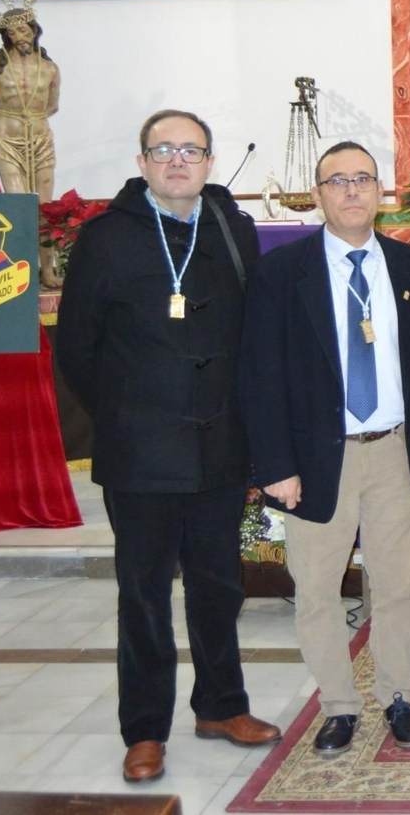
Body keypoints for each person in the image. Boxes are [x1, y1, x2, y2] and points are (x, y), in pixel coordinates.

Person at [57, 109, 280, 784]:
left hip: (218, 445)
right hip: (140, 450)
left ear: (210, 161)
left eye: (191, 149)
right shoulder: (104, 238)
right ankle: (145, 728)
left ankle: (221, 704)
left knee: (218, 587)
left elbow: (254, 337)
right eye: (164, 149)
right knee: (144, 595)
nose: (177, 160)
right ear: (143, 160)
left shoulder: (233, 230)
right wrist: (128, 411)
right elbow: (76, 348)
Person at [239, 142, 410, 755]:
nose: (351, 191)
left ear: (381, 191)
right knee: (319, 588)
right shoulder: (282, 272)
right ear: (318, 195)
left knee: (399, 585)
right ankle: (339, 705)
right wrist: (275, 466)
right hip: (318, 457)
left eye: (362, 180)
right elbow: (259, 375)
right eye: (337, 181)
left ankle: (400, 697)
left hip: (396, 450)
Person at [0, 0, 62, 286]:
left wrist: (33, 118)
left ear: (34, 30)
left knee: (44, 208)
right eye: (10, 32)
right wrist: (3, 115)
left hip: (40, 138)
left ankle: (47, 271)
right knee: (19, 203)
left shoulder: (49, 68)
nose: (18, 36)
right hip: (7, 137)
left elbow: (53, 106)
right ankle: (20, 271)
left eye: (22, 29)